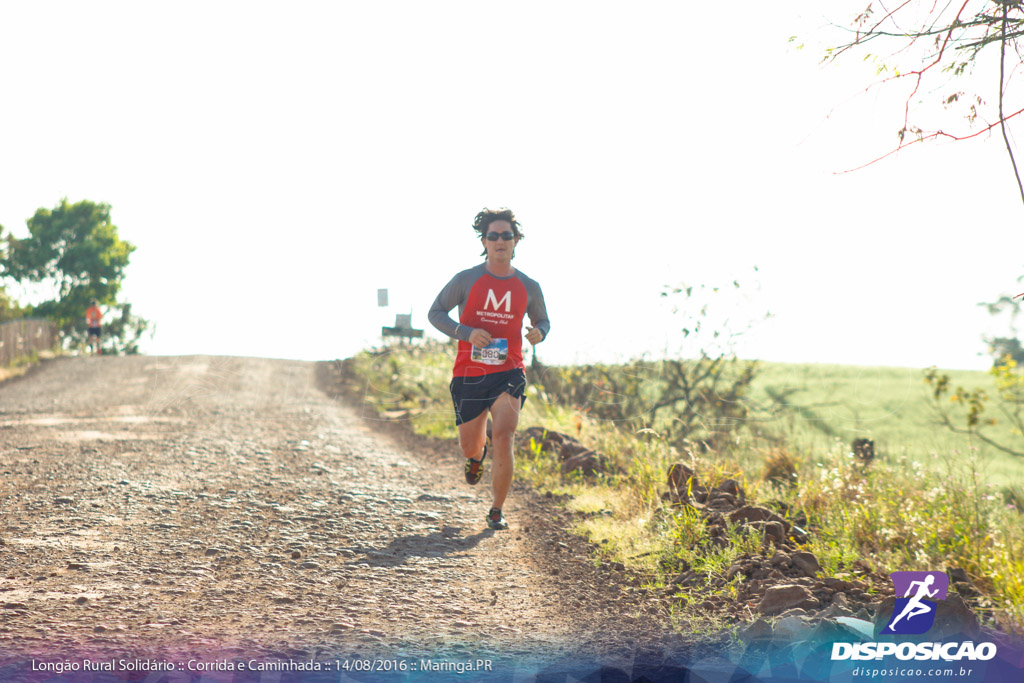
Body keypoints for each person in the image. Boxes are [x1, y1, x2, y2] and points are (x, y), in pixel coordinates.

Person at [428, 208, 550, 531]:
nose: (499, 240)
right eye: (493, 236)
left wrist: (540, 332)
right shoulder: (466, 280)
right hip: (469, 373)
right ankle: (475, 457)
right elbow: (435, 313)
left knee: (505, 435)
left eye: (506, 235)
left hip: (509, 371)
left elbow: (543, 320)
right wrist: (466, 333)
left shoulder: (529, 285)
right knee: (470, 444)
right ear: (484, 241)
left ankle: (496, 509)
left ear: (515, 240)